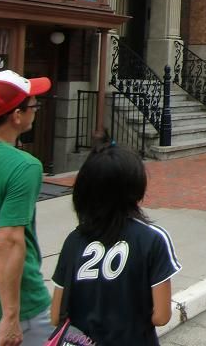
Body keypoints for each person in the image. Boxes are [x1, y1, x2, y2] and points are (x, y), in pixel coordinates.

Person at [50, 147, 181, 344]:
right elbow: (161, 316)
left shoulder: (74, 240)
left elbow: (55, 316)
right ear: (135, 188)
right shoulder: (152, 238)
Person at [0, 70, 54, 346]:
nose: (36, 110)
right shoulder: (24, 166)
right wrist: (10, 316)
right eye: (33, 105)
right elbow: (7, 241)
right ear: (16, 115)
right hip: (20, 308)